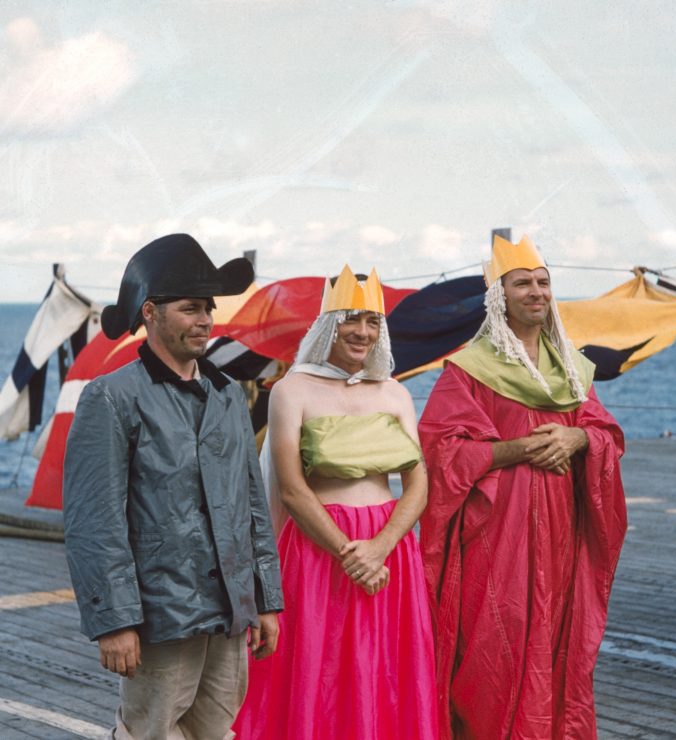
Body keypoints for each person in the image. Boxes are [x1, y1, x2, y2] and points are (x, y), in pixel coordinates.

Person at [63, 233, 284, 740]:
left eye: (208, 308)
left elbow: (252, 504)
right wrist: (114, 620)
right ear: (150, 313)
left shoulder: (228, 395)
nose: (205, 319)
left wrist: (265, 599)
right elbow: (94, 520)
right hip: (160, 613)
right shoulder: (111, 397)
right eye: (190, 308)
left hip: (229, 610)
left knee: (218, 732)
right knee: (150, 733)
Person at [419, 234, 627, 739]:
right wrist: (517, 450)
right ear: (500, 296)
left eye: (543, 282)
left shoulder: (572, 370)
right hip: (496, 533)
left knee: (558, 639)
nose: (536, 292)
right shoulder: (471, 370)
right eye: (522, 283)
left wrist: (578, 438)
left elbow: (607, 434)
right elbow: (441, 451)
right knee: (493, 642)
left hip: (561, 534)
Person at [233, 266, 438, 740]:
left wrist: (380, 547)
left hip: (389, 551)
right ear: (328, 324)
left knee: (384, 669)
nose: (362, 332)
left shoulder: (395, 393)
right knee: (317, 668)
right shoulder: (291, 390)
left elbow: (418, 485)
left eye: (372, 321)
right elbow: (291, 489)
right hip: (317, 549)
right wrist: (351, 554)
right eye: (351, 319)